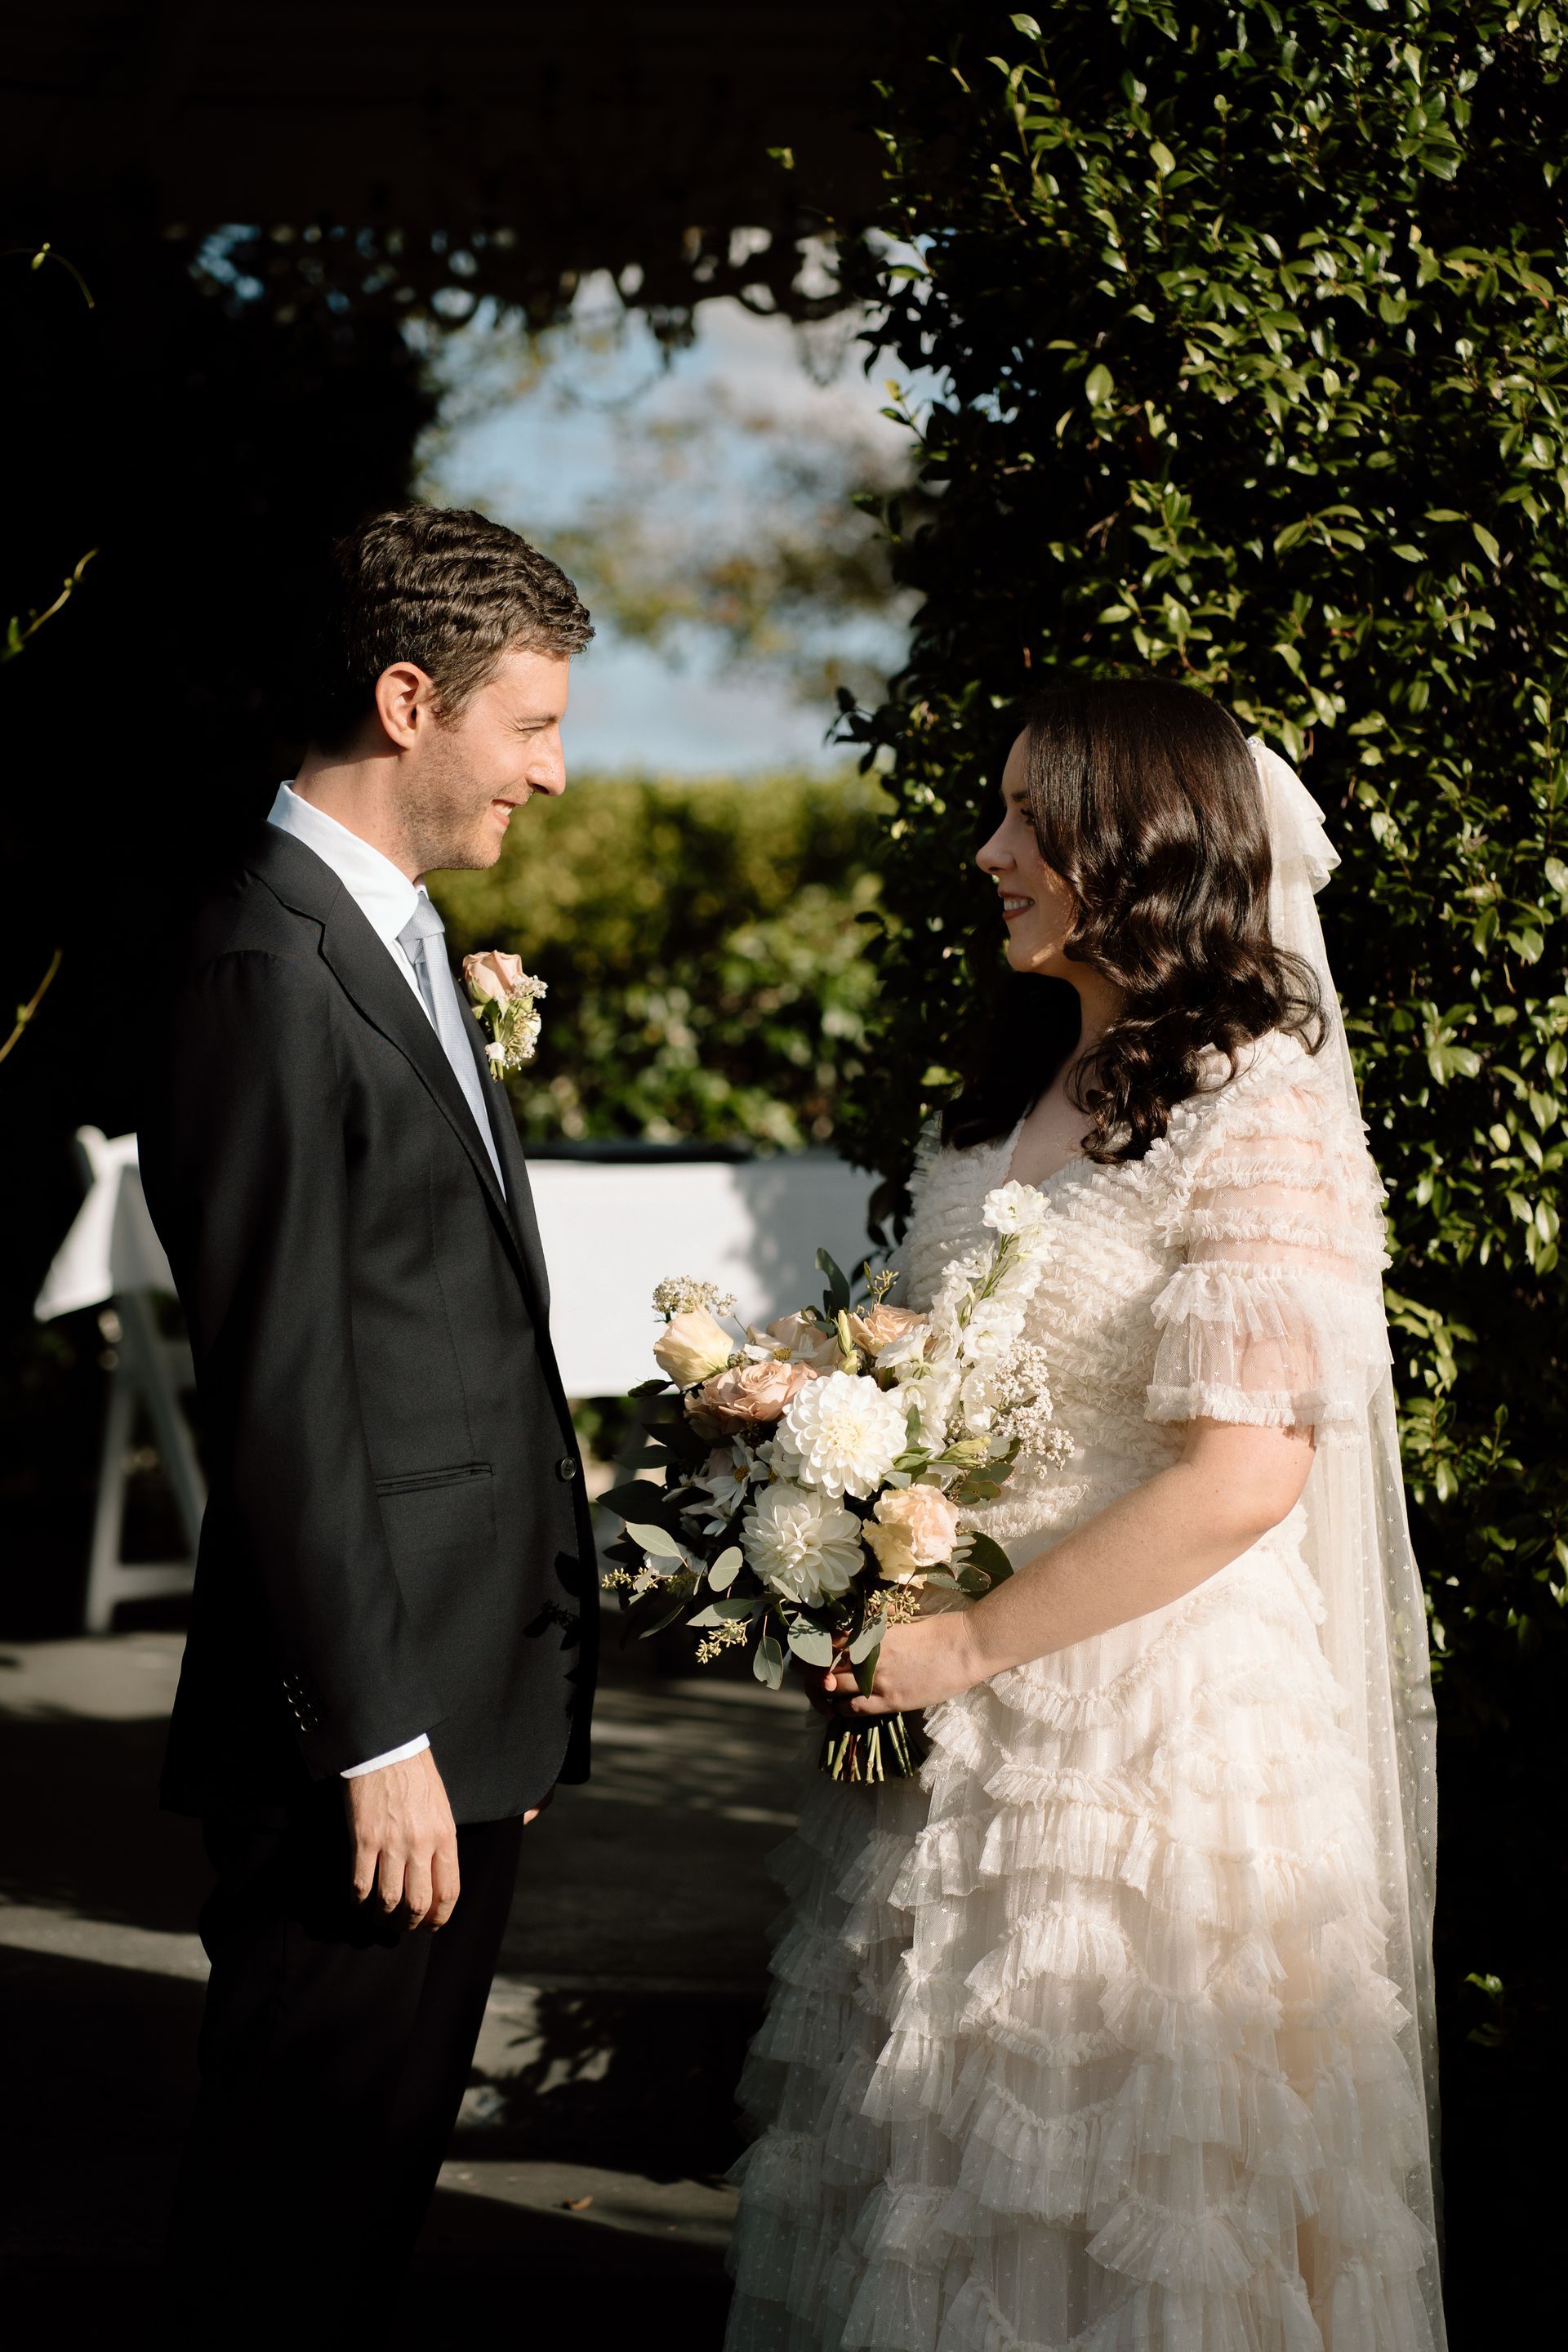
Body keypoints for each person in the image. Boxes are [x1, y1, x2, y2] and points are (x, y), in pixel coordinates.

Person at [725, 680, 1444, 2350]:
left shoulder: (1259, 1110)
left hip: (1147, 1741)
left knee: (1119, 2191)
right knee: (927, 2184)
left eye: (1021, 823)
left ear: (1133, 843)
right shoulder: (1026, 1090)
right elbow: (974, 1376)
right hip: (950, 1728)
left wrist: (966, 1637)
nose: (986, 855)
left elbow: (1244, 1473)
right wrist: (816, 1408)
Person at [140, 505, 599, 2322]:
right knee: (285, 2231)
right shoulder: (266, 968)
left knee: (366, 2218)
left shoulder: (390, 938)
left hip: (452, 1717)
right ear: (412, 701)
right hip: (365, 1739)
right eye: (534, 727)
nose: (556, 777)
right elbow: (281, 1388)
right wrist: (379, 1735)